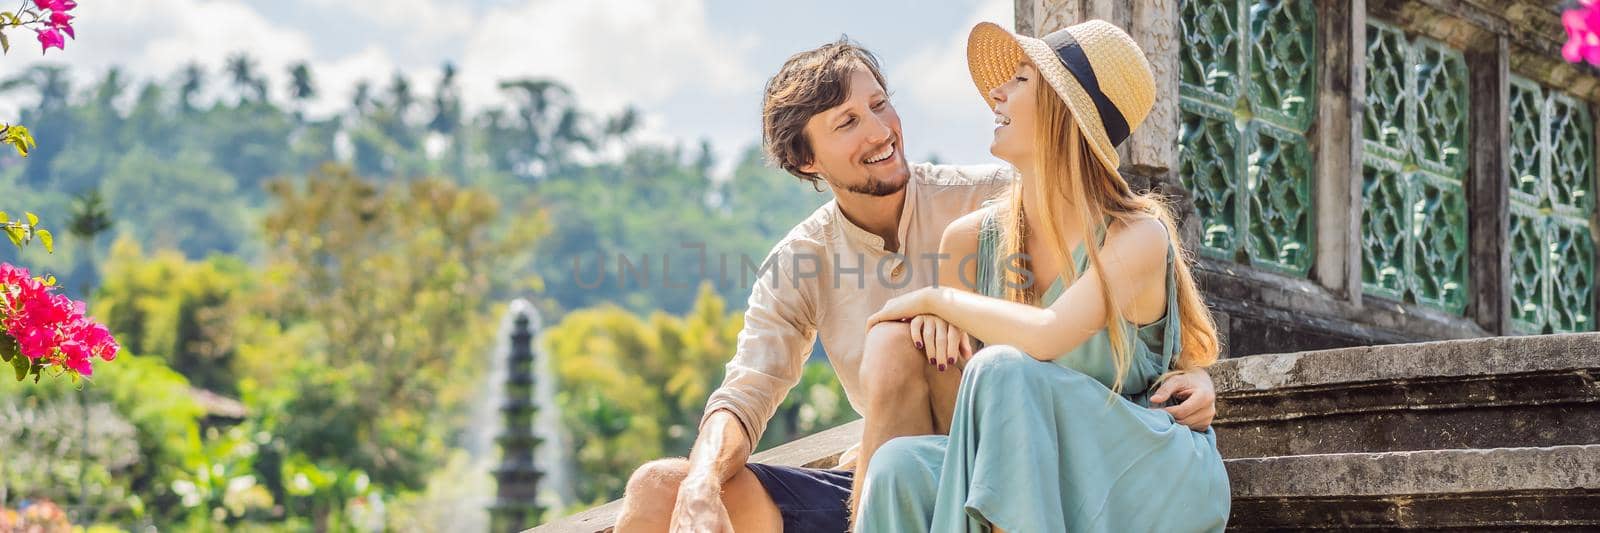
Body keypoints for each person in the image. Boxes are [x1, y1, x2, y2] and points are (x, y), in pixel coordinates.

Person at [615, 35, 1220, 533]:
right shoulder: (807, 259)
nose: (880, 131)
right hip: (908, 476)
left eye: (880, 104)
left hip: (1026, 456)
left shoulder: (1002, 193)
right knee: (656, 490)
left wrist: (1195, 372)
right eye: (848, 122)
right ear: (808, 162)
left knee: (908, 348)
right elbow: (747, 391)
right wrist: (700, 483)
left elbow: (1144, 317)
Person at [852, 20, 1232, 532]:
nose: (997, 92)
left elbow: (1050, 334)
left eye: (1023, 80)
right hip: (1037, 477)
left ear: (1066, 114)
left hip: (1138, 471)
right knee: (898, 468)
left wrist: (937, 299)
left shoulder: (1138, 235)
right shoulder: (968, 241)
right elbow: (966, 425)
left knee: (1003, 368)